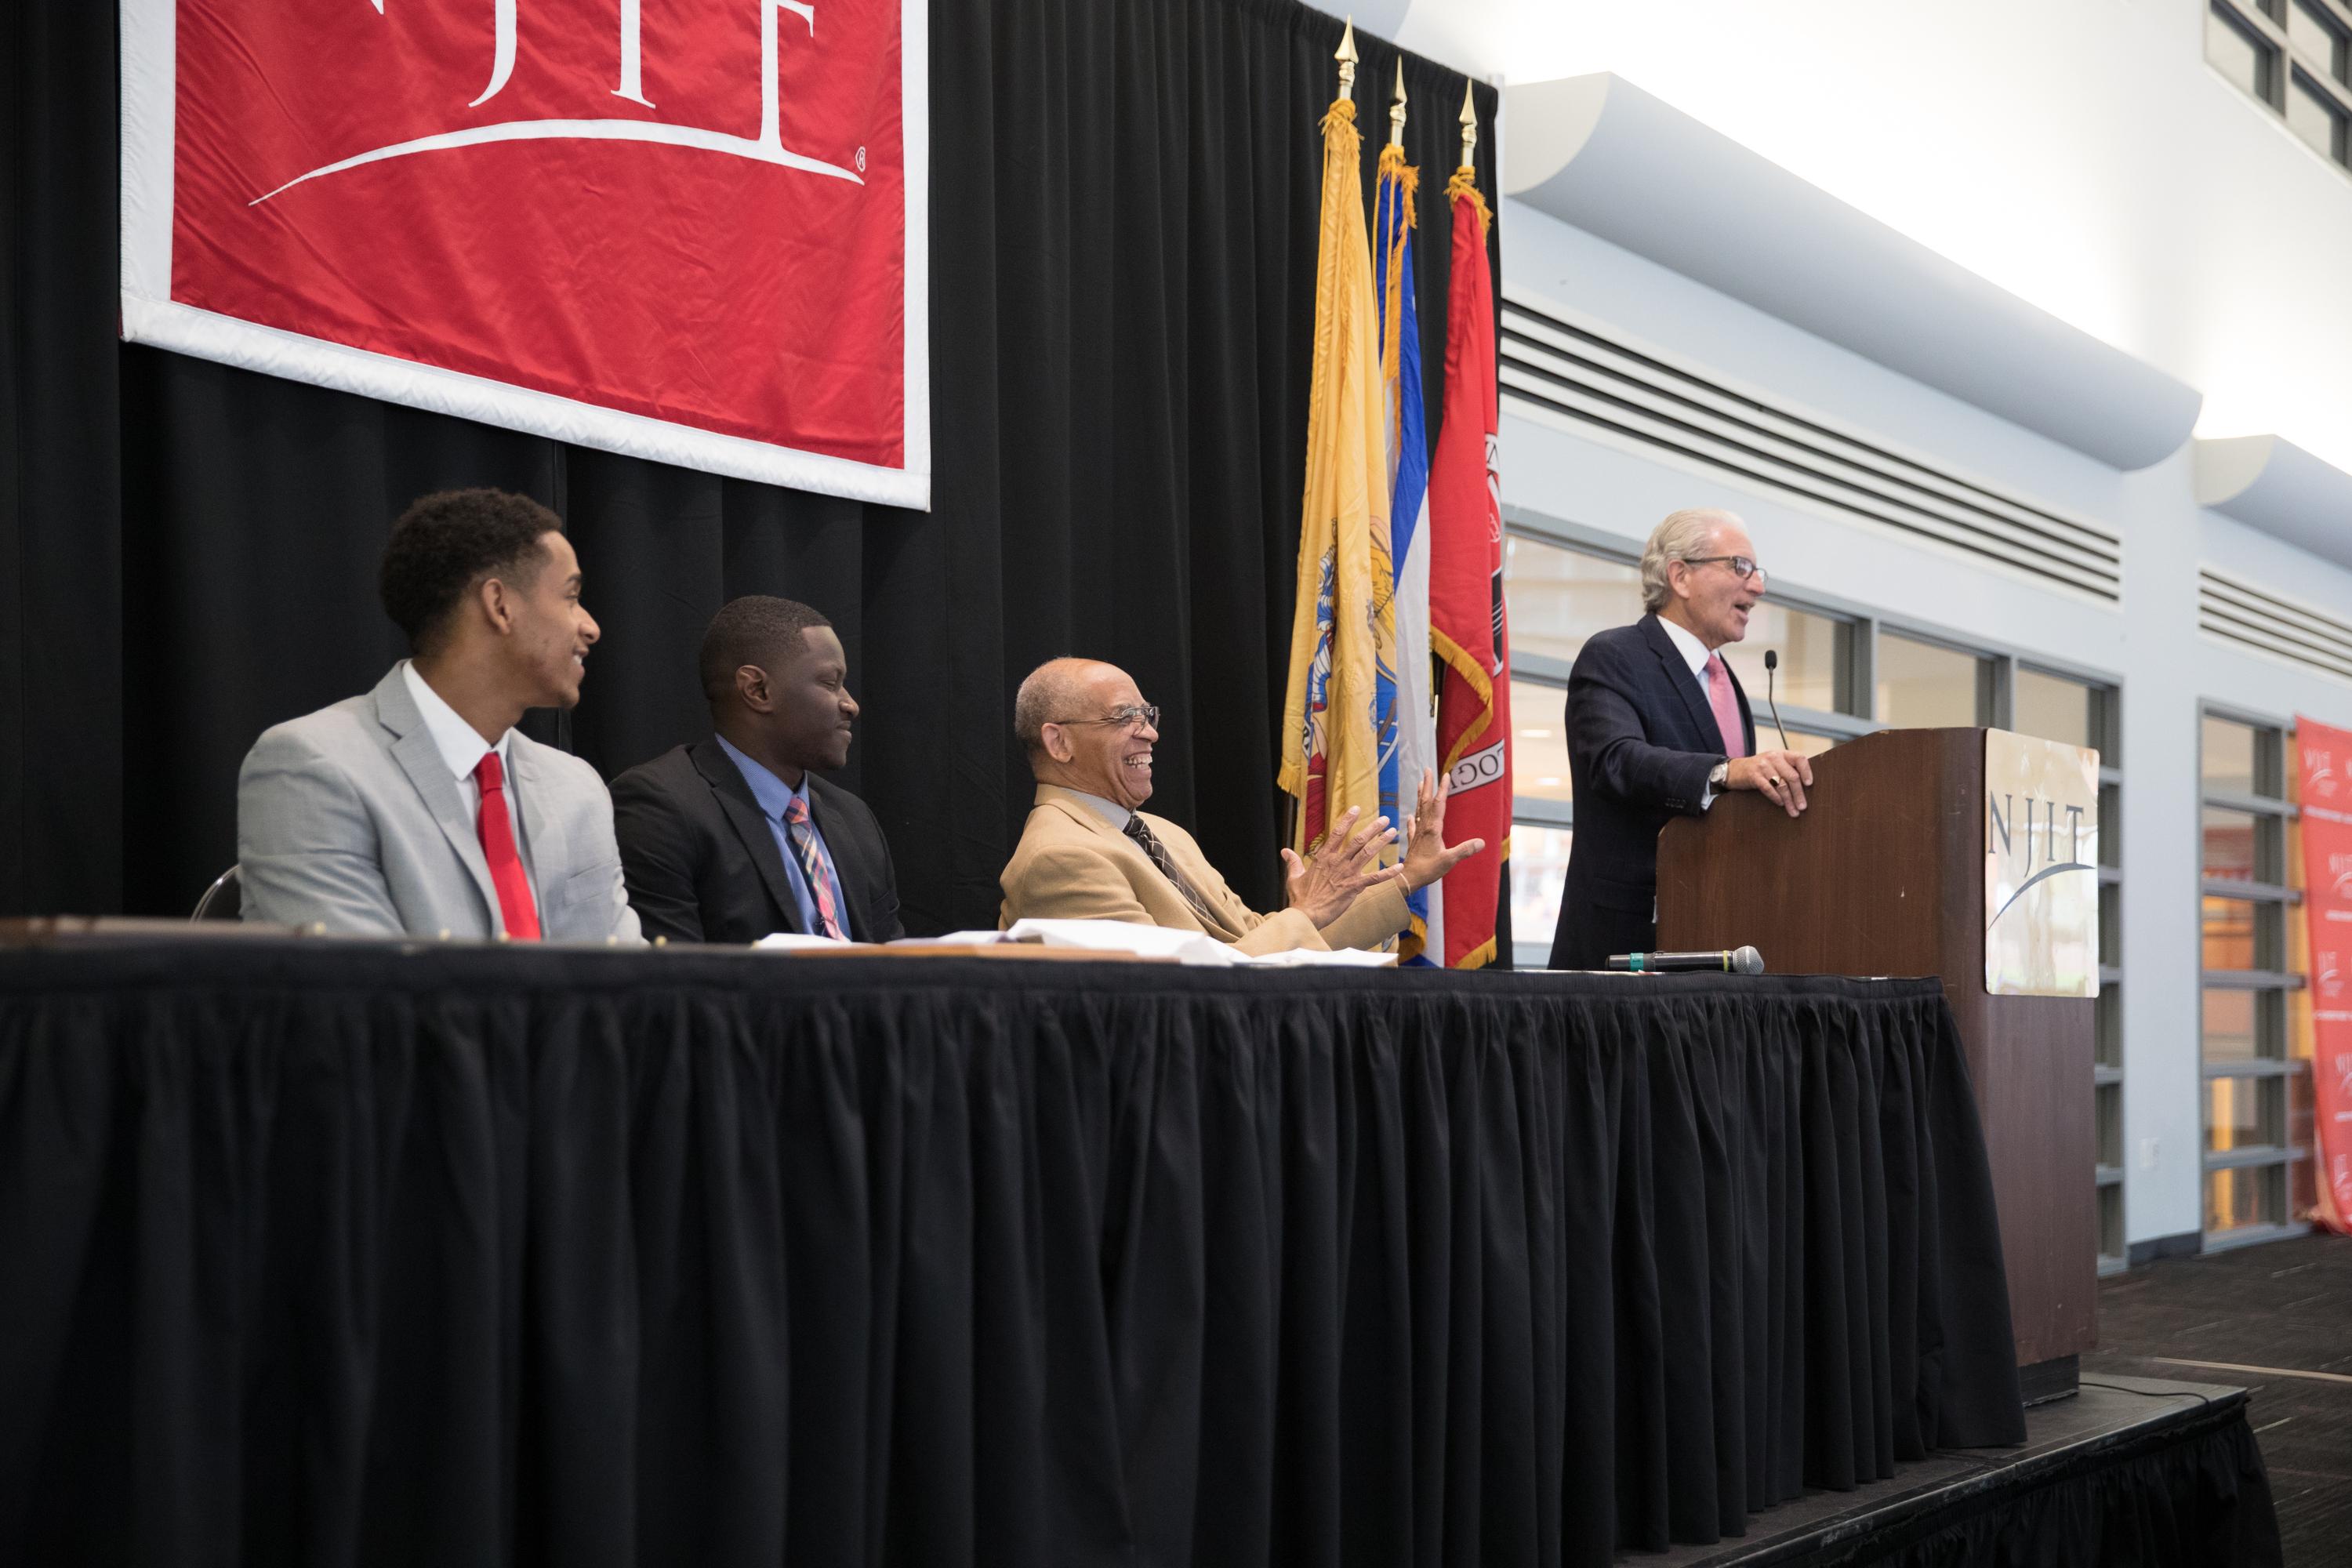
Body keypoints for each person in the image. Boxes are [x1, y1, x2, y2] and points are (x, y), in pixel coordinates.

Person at [238, 488, 642, 942]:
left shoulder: (577, 787)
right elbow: (354, 995)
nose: (590, 626)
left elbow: (632, 984)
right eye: (571, 597)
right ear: (500, 605)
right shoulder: (311, 768)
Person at [998, 657, 1481, 954]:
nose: (1150, 732)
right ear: (1059, 742)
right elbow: (1170, 994)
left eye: (1148, 715)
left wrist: (1408, 877)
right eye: (1125, 717)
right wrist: (1306, 914)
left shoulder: (1163, 834)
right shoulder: (1058, 859)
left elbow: (1254, 941)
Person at [1546, 507, 1817, 970]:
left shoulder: (1729, 684)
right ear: (1681, 576)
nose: (1758, 586)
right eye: (1740, 567)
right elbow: (1616, 761)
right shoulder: (1614, 656)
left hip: (1712, 944)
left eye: (1757, 572)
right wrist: (1727, 771)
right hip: (1624, 951)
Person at [611, 597, 902, 944]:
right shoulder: (660, 809)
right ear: (758, 690)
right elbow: (677, 986)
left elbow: (894, 965)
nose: (850, 705)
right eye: (830, 683)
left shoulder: (854, 819)